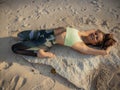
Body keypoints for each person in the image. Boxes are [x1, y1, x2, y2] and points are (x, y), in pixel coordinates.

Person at [11, 27, 116, 58]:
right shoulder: (82, 33)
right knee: (20, 35)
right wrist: (106, 36)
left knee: (15, 48)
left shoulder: (81, 45)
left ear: (94, 44)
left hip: (45, 41)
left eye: (96, 38)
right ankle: (36, 46)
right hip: (44, 33)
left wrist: (108, 46)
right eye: (96, 33)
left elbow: (104, 52)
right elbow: (94, 29)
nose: (94, 35)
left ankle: (40, 53)